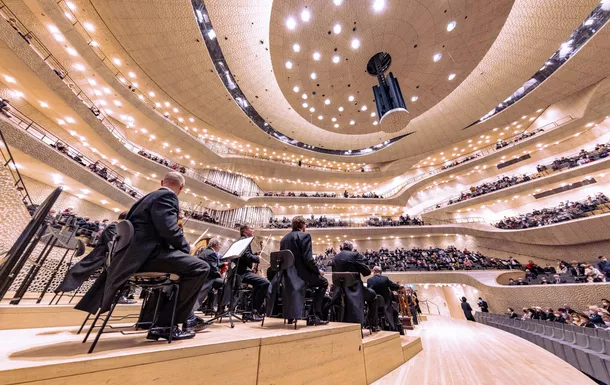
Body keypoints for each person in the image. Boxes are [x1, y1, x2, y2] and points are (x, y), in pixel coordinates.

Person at [75, 172, 210, 341]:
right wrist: (186, 248)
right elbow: (168, 229)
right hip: (145, 257)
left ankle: (155, 319)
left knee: (187, 268)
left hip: (131, 258)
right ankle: (165, 325)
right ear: (181, 188)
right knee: (201, 267)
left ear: (162, 181)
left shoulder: (145, 198)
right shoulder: (167, 197)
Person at [55, 211, 128, 295]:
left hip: (104, 255)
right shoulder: (114, 226)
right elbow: (111, 242)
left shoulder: (117, 227)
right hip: (101, 255)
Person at [277, 216, 328, 325]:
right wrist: (318, 271)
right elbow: (308, 259)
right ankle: (314, 315)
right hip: (302, 277)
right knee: (324, 282)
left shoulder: (284, 239)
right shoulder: (305, 236)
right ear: (302, 225)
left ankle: (291, 317)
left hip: (287, 277)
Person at [331, 241, 378, 328]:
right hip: (355, 289)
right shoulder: (355, 255)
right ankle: (372, 324)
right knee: (373, 296)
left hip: (339, 290)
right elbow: (367, 272)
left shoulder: (335, 258)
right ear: (351, 248)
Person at [231, 224, 269, 321]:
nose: (253, 230)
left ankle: (251, 311)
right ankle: (254, 310)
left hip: (240, 271)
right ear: (245, 230)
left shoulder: (242, 240)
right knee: (265, 283)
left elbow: (246, 255)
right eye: (251, 228)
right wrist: (257, 258)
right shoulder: (244, 241)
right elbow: (246, 256)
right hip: (241, 273)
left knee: (259, 284)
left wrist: (255, 254)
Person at [187, 237, 226, 329]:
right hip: (207, 279)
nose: (220, 247)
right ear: (216, 245)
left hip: (202, 277)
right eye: (220, 245)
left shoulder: (206, 252)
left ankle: (213, 307)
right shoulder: (211, 253)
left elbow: (213, 265)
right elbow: (213, 270)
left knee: (222, 283)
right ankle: (220, 309)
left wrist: (222, 264)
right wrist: (220, 275)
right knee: (225, 284)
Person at [367, 266, 402, 333]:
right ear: (381, 272)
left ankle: (373, 325)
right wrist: (399, 286)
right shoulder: (385, 279)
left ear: (374, 271)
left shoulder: (369, 280)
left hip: (374, 306)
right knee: (395, 309)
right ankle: (395, 326)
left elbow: (369, 292)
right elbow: (394, 286)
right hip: (385, 304)